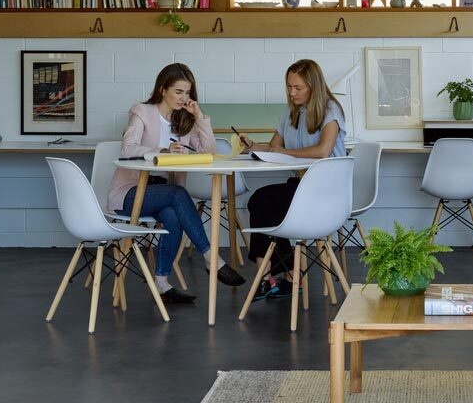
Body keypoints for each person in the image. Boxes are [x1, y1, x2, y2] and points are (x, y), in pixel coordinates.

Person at [107, 63, 245, 304]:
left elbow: (209, 152)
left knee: (172, 216)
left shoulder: (185, 121)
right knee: (177, 193)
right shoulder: (142, 111)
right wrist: (163, 150)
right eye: (178, 92)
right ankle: (211, 257)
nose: (183, 98)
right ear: (163, 89)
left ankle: (161, 283)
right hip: (131, 193)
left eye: (187, 93)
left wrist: (200, 118)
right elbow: (127, 148)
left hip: (162, 192)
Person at [239, 58, 347, 299]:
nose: (292, 92)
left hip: (327, 190)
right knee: (260, 201)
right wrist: (252, 146)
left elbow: (323, 151)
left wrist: (285, 152)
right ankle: (280, 275)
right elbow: (274, 147)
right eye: (289, 86)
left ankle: (271, 276)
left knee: (263, 201)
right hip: (304, 186)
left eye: (298, 87)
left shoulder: (331, 110)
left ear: (313, 86)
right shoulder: (290, 112)